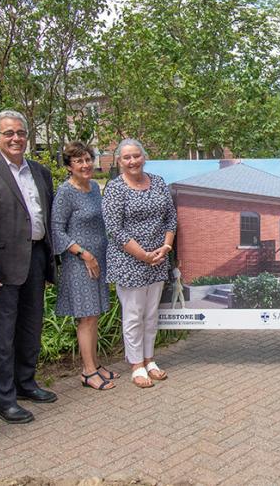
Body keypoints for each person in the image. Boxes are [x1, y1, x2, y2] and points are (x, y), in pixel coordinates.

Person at [0, 110, 57, 425]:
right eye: (8, 133)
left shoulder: (40, 171)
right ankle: (3, 400)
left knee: (30, 328)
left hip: (35, 259)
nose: (16, 138)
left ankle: (25, 384)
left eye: (20, 132)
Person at [102, 139, 176, 389]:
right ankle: (136, 365)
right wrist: (143, 255)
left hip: (158, 258)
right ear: (119, 161)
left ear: (144, 157)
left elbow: (170, 217)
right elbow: (114, 229)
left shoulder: (158, 182)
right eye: (126, 158)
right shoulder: (114, 188)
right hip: (129, 260)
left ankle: (150, 359)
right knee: (133, 315)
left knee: (151, 313)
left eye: (136, 156)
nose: (132, 161)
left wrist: (165, 247)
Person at [51, 142, 116, 391]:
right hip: (80, 262)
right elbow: (56, 230)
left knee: (94, 314)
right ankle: (88, 373)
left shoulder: (93, 189)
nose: (86, 165)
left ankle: (96, 365)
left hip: (98, 259)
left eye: (88, 159)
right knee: (86, 317)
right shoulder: (66, 192)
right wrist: (83, 254)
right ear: (69, 166)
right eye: (79, 161)